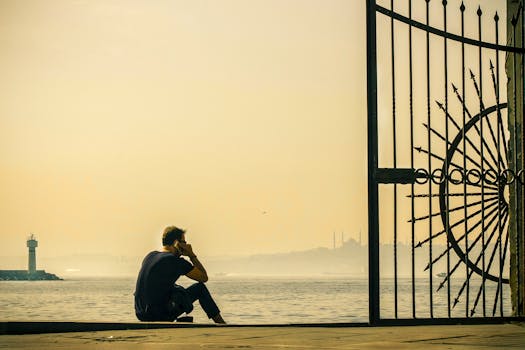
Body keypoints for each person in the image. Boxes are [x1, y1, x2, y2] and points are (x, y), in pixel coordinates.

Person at [134, 226, 226, 324]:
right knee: (200, 289)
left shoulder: (150, 256)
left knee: (173, 288)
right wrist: (191, 255)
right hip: (158, 315)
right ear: (177, 243)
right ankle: (221, 324)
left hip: (141, 314)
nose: (186, 245)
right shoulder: (175, 261)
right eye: (184, 242)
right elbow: (203, 277)